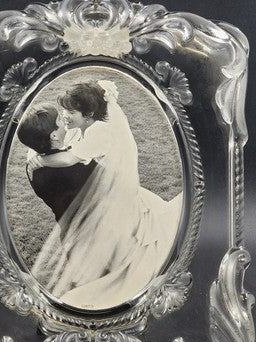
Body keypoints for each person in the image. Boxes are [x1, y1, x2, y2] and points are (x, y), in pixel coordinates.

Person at [28, 82, 183, 309]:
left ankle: (110, 271)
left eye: (71, 112)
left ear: (89, 115)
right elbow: (63, 144)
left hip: (117, 193)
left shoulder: (101, 133)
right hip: (104, 187)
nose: (65, 116)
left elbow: (69, 158)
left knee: (129, 246)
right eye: (64, 111)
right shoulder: (80, 128)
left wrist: (40, 160)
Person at [16, 103, 97, 223]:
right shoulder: (74, 167)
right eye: (59, 119)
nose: (64, 119)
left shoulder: (33, 163)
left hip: (67, 222)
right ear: (54, 136)